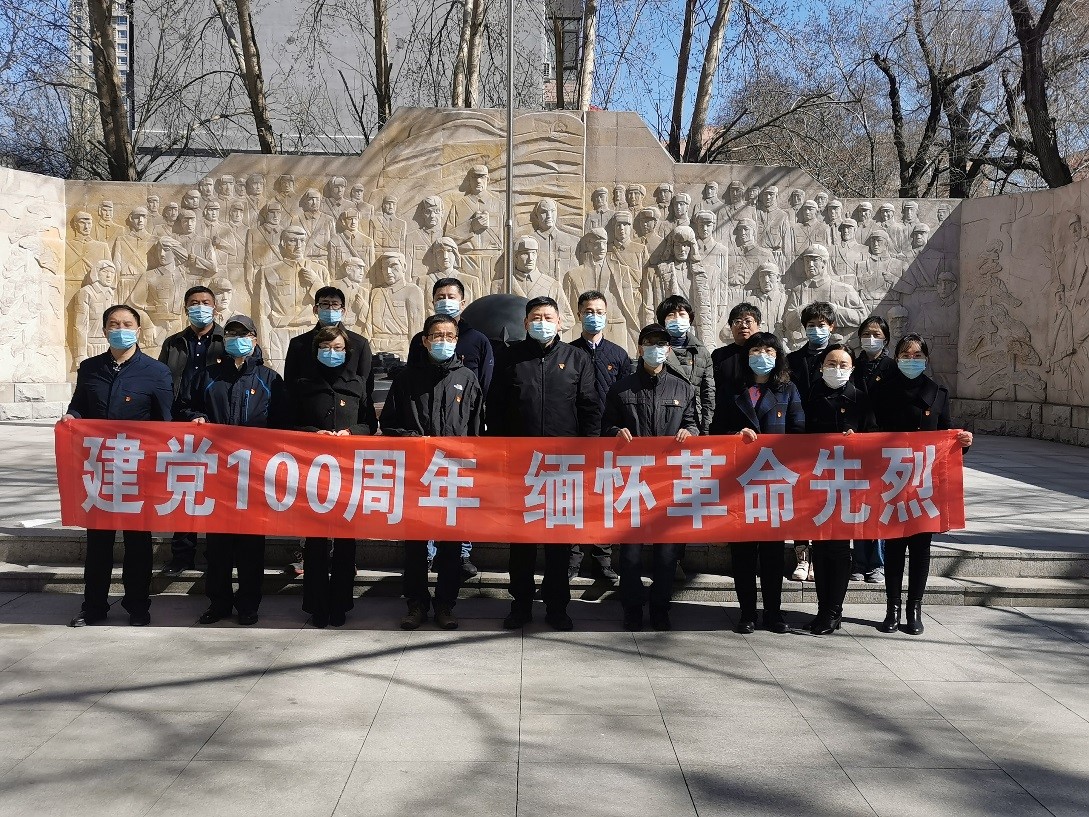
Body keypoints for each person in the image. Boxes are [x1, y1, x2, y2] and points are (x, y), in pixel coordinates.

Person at [488, 296, 601, 631]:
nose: (542, 323)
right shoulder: (509, 358)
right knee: (521, 542)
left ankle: (557, 607)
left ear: (560, 322)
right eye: (535, 317)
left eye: (548, 317)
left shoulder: (577, 358)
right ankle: (520, 605)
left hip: (562, 467)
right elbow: (496, 409)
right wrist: (500, 457)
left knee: (559, 543)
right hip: (521, 467)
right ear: (525, 323)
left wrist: (588, 456)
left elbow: (590, 409)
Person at [62, 305, 173, 627]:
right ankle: (93, 606)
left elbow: (166, 423)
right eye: (113, 324)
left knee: (138, 544)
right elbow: (79, 406)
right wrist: (72, 418)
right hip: (100, 470)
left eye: (126, 324)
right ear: (104, 330)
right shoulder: (90, 368)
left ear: (137, 330)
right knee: (98, 543)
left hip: (137, 470)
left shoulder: (156, 372)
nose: (120, 329)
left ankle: (137, 606)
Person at [176, 315, 289, 626]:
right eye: (231, 334)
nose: (237, 339)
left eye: (243, 334)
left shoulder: (269, 379)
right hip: (217, 473)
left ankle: (249, 604)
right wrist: (196, 416)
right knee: (218, 546)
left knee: (252, 546)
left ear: (254, 339)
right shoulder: (208, 376)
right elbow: (183, 406)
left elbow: (282, 423)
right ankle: (219, 603)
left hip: (255, 474)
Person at [381, 314, 485, 630]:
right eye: (436, 336)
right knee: (415, 545)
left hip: (453, 474)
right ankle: (416, 604)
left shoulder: (467, 378)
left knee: (451, 546)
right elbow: (388, 424)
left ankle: (445, 605)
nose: (443, 341)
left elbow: (476, 430)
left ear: (457, 340)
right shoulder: (406, 378)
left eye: (449, 336)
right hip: (417, 473)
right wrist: (413, 439)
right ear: (425, 340)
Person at [872, 333, 972, 635]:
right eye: (906, 355)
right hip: (892, 478)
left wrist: (963, 442)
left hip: (925, 482)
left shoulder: (938, 392)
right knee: (893, 545)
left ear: (926, 359)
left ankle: (914, 608)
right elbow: (870, 431)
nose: (911, 360)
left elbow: (946, 434)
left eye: (917, 355)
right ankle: (892, 607)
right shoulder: (881, 390)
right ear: (896, 358)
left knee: (920, 547)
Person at [603, 324, 699, 631]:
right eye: (650, 343)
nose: (655, 348)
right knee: (630, 552)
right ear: (640, 347)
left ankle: (660, 609)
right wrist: (615, 432)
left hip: (669, 481)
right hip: (632, 481)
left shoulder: (683, 388)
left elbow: (694, 424)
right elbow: (606, 427)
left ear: (668, 350)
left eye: (661, 344)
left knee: (667, 553)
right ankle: (632, 608)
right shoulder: (622, 389)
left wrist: (690, 432)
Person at [283, 285, 377, 578]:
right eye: (324, 304)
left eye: (335, 305)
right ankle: (306, 555)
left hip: (346, 443)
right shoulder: (300, 345)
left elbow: (365, 395)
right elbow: (290, 392)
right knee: (310, 502)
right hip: (310, 442)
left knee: (344, 503)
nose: (330, 309)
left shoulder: (359, 344)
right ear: (315, 308)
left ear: (344, 310)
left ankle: (344, 558)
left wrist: (351, 430)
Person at [714, 332, 804, 634]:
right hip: (739, 481)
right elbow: (716, 429)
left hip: (773, 482)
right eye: (756, 350)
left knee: (773, 552)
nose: (762, 356)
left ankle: (774, 612)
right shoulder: (731, 389)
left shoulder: (788, 389)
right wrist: (734, 435)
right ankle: (747, 613)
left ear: (777, 356)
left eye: (768, 350)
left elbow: (799, 430)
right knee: (742, 552)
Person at [406, 277, 495, 579]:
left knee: (459, 502)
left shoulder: (478, 341)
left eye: (451, 296)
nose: (446, 300)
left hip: (459, 439)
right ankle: (427, 555)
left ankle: (462, 554)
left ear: (462, 301)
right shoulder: (418, 343)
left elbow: (482, 387)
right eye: (440, 296)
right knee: (427, 499)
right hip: (426, 441)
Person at [291, 324, 376, 627]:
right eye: (326, 347)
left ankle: (340, 604)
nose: (332, 352)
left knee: (345, 542)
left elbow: (370, 424)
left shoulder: (357, 383)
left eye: (338, 348)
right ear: (316, 351)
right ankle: (316, 605)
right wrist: (313, 433)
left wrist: (352, 432)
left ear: (346, 351)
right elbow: (288, 423)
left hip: (347, 472)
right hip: (312, 470)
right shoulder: (302, 384)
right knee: (315, 541)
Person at [802, 343, 877, 634]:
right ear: (822, 366)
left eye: (843, 364)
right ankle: (824, 609)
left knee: (839, 548)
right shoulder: (810, 395)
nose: (837, 369)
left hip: (848, 485)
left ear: (852, 368)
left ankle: (834, 610)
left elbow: (874, 438)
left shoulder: (861, 398)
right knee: (820, 547)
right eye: (831, 364)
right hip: (816, 482)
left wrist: (858, 439)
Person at [157, 286, 229, 576]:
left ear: (215, 307)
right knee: (184, 488)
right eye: (194, 303)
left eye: (206, 302)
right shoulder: (174, 343)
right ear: (186, 308)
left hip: (217, 426)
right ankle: (182, 554)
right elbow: (162, 380)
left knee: (217, 490)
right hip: (183, 424)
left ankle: (217, 554)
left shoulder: (228, 340)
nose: (200, 307)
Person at [568, 290, 633, 584]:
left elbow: (627, 398)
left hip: (608, 438)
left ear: (606, 315)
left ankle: (602, 561)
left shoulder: (618, 355)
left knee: (604, 500)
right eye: (588, 311)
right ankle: (572, 560)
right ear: (579, 314)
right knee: (574, 499)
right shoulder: (568, 352)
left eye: (599, 312)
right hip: (576, 436)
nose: (594, 317)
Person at [786, 300, 838, 582]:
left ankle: (821, 555)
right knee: (800, 498)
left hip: (829, 437)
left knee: (824, 498)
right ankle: (802, 555)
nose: (816, 329)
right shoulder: (793, 360)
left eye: (822, 325)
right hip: (799, 438)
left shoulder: (839, 356)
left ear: (831, 327)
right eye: (811, 325)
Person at [850, 315, 896, 583]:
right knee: (859, 505)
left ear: (886, 338)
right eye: (866, 334)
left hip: (883, 446)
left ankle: (877, 563)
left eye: (876, 334)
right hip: (856, 443)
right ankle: (859, 560)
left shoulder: (892, 368)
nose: (871, 338)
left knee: (879, 505)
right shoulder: (853, 367)